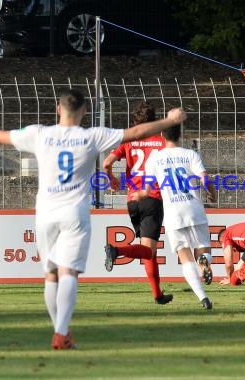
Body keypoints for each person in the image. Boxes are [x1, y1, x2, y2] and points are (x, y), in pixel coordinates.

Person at [0, 89, 186, 349]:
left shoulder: (40, 134)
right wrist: (171, 120)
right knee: (69, 271)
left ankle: (61, 330)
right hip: (75, 214)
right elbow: (136, 133)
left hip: (46, 213)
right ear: (84, 112)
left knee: (51, 274)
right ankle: (61, 332)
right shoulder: (92, 136)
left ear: (58, 109)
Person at [102, 101, 173, 305]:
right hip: (152, 197)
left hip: (132, 200)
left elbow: (107, 163)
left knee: (148, 251)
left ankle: (158, 295)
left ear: (135, 121)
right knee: (148, 250)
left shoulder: (128, 141)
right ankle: (117, 250)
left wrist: (111, 179)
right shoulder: (161, 141)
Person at [142, 123, 217, 309]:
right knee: (203, 250)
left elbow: (148, 189)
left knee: (185, 257)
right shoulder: (190, 154)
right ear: (180, 134)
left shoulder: (154, 158)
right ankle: (205, 261)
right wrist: (212, 193)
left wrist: (140, 195)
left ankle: (203, 298)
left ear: (162, 135)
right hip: (194, 208)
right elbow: (204, 178)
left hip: (173, 212)